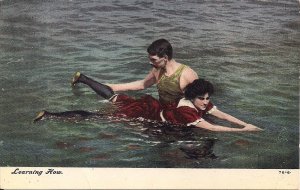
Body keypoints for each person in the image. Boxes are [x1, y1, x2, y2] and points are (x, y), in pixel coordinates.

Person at [34, 79, 262, 132]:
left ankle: (83, 78)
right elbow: (213, 128)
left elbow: (222, 114)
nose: (205, 101)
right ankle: (49, 114)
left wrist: (246, 123)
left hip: (150, 107)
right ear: (193, 97)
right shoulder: (187, 111)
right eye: (202, 98)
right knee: (97, 116)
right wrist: (243, 131)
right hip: (146, 116)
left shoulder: (198, 102)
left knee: (114, 97)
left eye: (207, 98)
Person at [72, 39, 198, 106]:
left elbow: (202, 100)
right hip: (163, 111)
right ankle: (84, 80)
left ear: (165, 57)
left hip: (182, 114)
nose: (150, 63)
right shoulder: (157, 70)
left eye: (153, 60)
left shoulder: (187, 74)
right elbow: (142, 84)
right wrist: (110, 86)